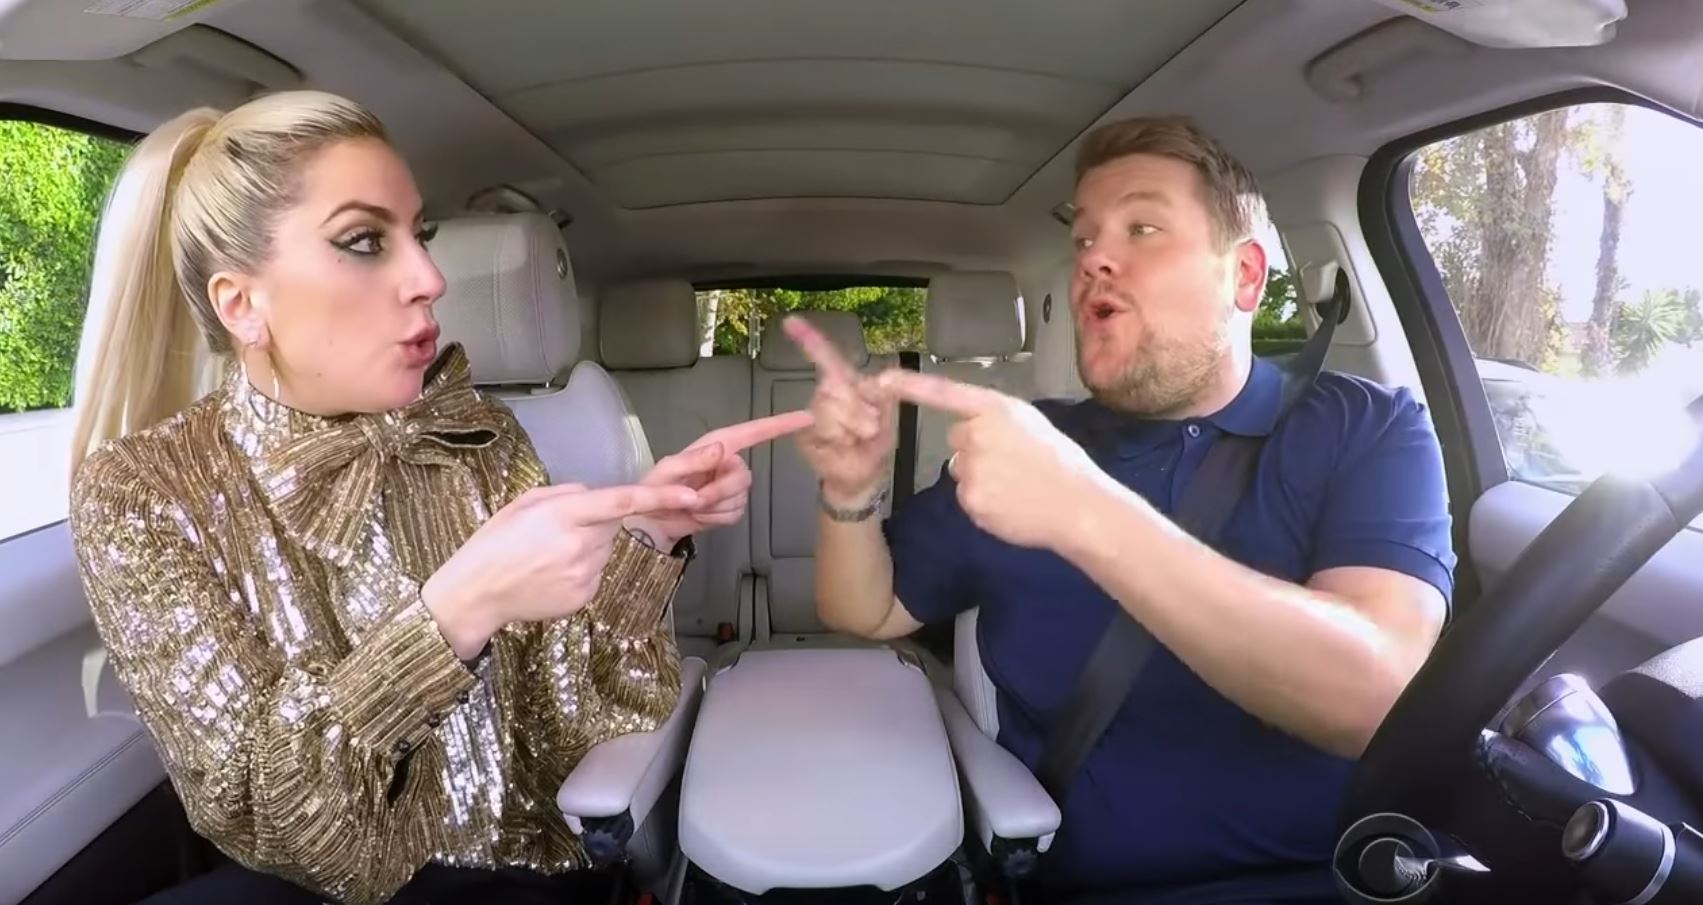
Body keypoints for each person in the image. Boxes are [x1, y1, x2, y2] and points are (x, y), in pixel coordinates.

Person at [65, 90, 808, 905]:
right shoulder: (138, 491)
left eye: (417, 236)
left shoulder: (477, 435)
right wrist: (453, 613)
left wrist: (649, 534)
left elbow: (573, 727)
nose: (429, 278)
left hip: (512, 874)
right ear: (242, 304)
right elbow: (277, 824)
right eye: (363, 241)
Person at [790, 116, 1456, 904]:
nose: (1092, 260)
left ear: (1244, 277)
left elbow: (1372, 699)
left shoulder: (1366, 428)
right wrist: (849, 491)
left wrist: (1081, 511)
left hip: (1336, 882)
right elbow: (864, 610)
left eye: (1142, 228)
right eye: (1082, 239)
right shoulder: (1021, 445)